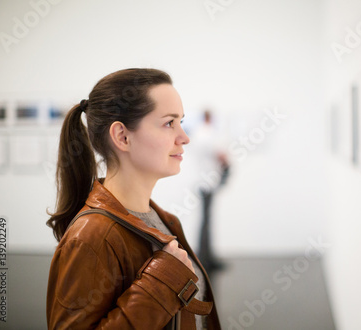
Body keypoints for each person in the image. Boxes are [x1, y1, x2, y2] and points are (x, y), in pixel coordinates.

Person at [46, 68, 221, 329]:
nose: (184, 138)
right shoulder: (90, 237)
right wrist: (160, 283)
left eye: (181, 122)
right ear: (122, 136)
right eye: (168, 123)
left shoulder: (166, 221)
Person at [190, 110, 229, 273]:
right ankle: (205, 258)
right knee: (206, 221)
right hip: (208, 182)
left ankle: (205, 256)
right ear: (210, 118)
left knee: (205, 220)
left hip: (202, 181)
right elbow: (221, 155)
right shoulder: (208, 134)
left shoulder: (198, 134)